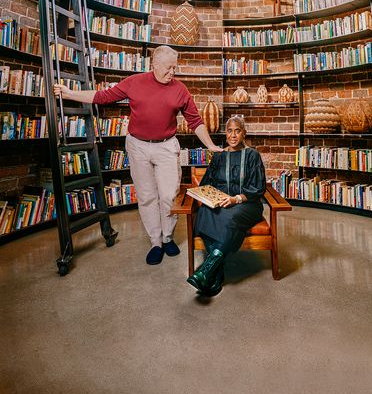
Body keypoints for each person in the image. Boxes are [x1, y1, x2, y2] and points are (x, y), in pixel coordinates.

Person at [53, 45, 223, 265]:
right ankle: (156, 242)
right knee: (146, 196)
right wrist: (69, 93)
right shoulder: (134, 82)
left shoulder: (180, 89)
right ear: (154, 65)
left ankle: (168, 237)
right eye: (168, 68)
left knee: (169, 195)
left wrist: (210, 145)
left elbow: (195, 121)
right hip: (138, 146)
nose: (173, 72)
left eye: (175, 68)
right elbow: (102, 97)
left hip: (166, 146)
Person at [187, 115, 266, 297]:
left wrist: (235, 199)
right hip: (220, 202)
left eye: (237, 130)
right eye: (229, 131)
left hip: (246, 204)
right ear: (225, 134)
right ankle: (216, 273)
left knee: (231, 217)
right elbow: (206, 184)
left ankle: (207, 270)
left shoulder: (253, 155)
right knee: (205, 211)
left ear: (244, 133)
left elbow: (258, 187)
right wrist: (209, 197)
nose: (233, 135)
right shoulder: (219, 157)